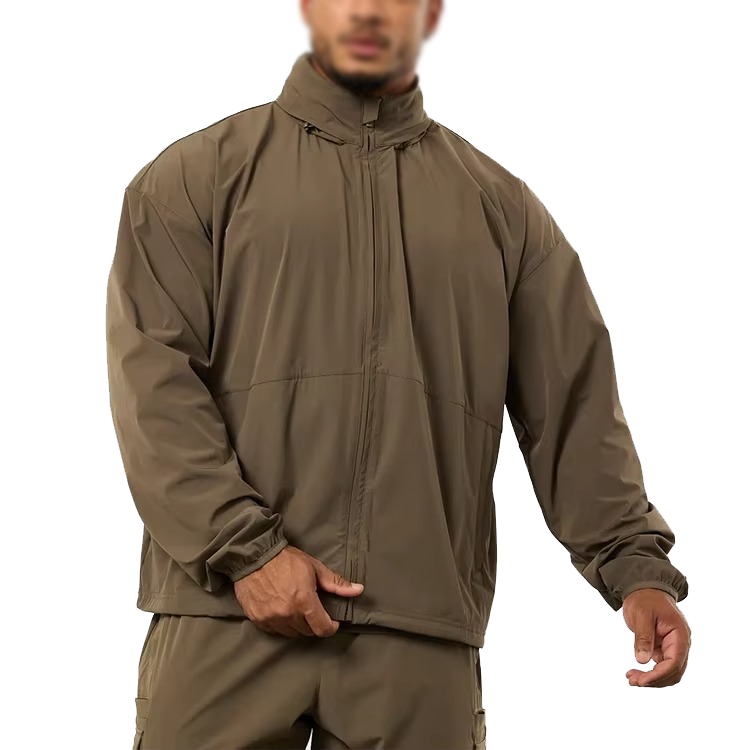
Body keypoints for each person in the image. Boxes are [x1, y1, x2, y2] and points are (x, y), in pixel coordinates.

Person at [106, 1, 691, 747]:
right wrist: (246, 553)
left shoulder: (504, 213)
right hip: (225, 616)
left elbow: (574, 407)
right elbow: (154, 389)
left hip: (419, 634)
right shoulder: (194, 179)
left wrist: (636, 570)